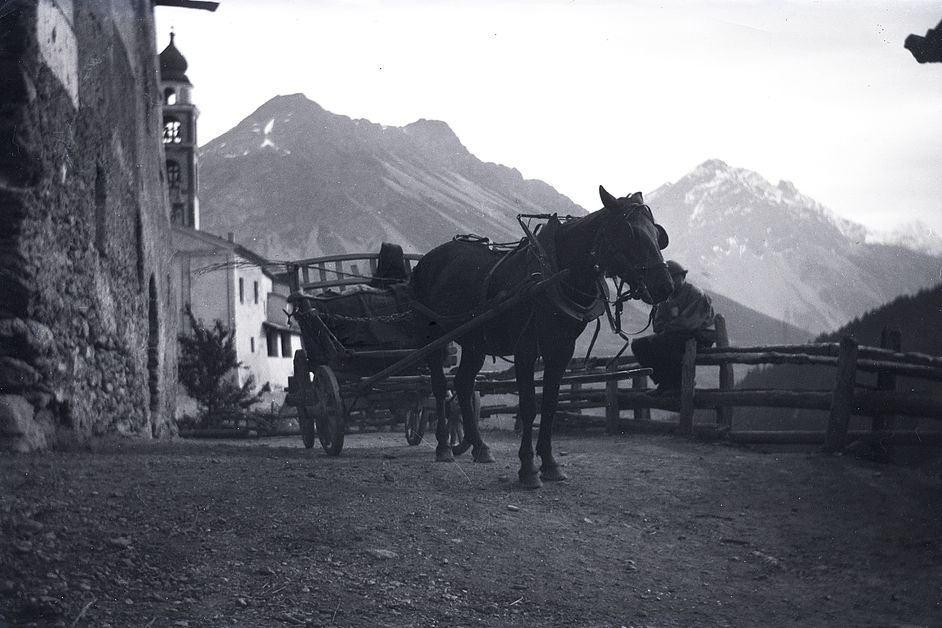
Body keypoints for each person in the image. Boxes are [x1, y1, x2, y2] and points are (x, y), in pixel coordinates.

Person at [630, 260, 716, 394]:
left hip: (700, 336)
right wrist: (669, 328)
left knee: (668, 344)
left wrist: (669, 327)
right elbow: (658, 324)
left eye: (674, 278)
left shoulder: (696, 294)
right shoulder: (667, 298)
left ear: (682, 277)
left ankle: (678, 385)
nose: (671, 282)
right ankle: (665, 382)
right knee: (639, 346)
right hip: (675, 335)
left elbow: (689, 323)